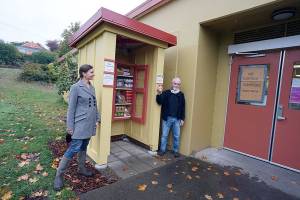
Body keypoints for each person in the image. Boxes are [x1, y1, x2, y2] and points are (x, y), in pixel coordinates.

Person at [54, 64, 100, 191]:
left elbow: (95, 105)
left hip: (90, 123)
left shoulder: (92, 87)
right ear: (84, 73)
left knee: (84, 146)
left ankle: (81, 169)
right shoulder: (75, 87)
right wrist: (69, 126)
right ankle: (59, 175)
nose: (93, 74)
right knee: (74, 147)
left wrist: (97, 118)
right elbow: (71, 109)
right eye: (91, 72)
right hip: (79, 123)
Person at [156, 77, 185, 158]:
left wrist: (182, 118)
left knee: (176, 136)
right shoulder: (166, 93)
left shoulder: (181, 95)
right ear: (172, 83)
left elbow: (183, 107)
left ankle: (176, 151)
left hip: (177, 119)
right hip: (167, 118)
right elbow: (159, 102)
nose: (176, 85)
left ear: (180, 85)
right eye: (175, 83)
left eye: (178, 84)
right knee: (164, 135)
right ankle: (162, 150)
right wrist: (159, 94)